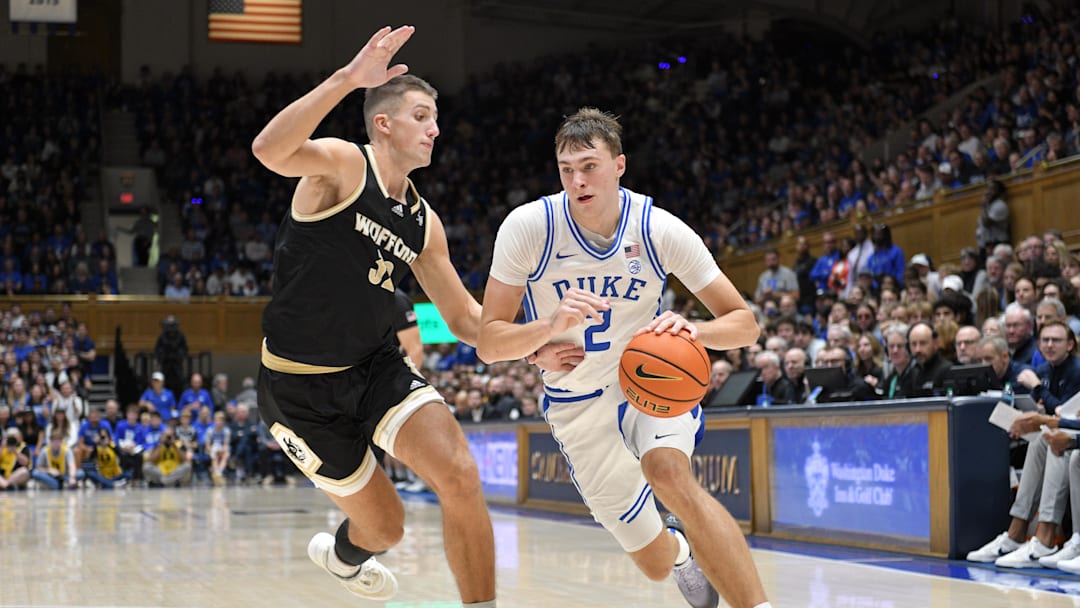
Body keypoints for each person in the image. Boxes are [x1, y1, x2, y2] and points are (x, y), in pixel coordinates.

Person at [477, 108, 770, 608]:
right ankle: (681, 553)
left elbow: (745, 324)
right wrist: (544, 331)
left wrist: (694, 329)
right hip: (576, 401)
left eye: (589, 166)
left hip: (648, 378)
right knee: (654, 563)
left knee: (669, 474)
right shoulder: (529, 227)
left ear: (619, 165)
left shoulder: (659, 229)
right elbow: (489, 341)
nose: (577, 180)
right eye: (566, 169)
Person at [250, 26, 494, 605]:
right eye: (421, 115)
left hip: (376, 367)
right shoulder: (341, 164)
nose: (435, 127)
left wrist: (545, 335)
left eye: (436, 117)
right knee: (386, 528)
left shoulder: (424, 221)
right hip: (298, 389)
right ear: (383, 122)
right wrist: (346, 80)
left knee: (460, 474)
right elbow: (268, 151)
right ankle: (342, 555)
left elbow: (464, 321)